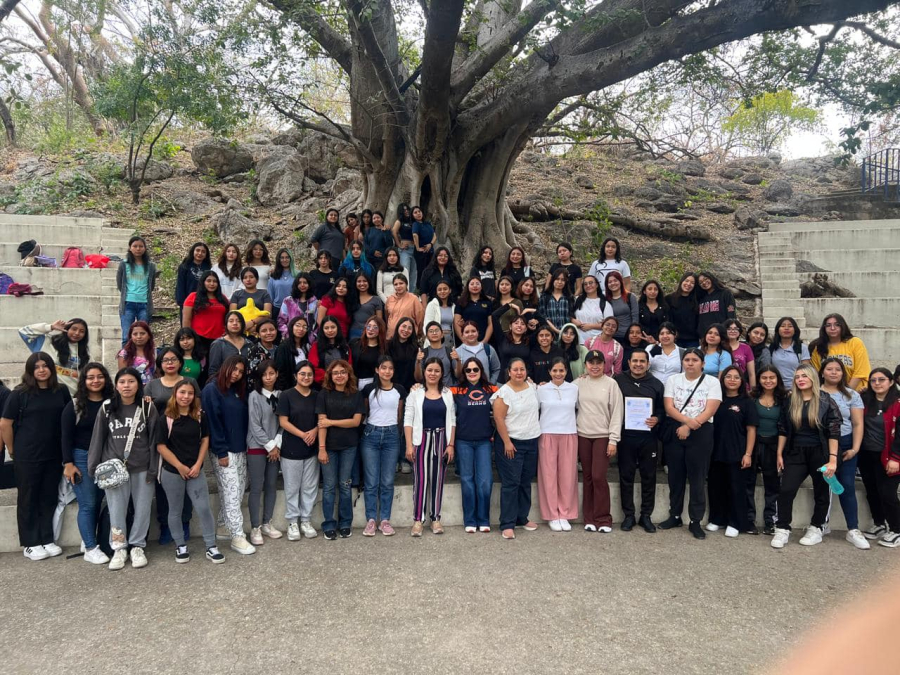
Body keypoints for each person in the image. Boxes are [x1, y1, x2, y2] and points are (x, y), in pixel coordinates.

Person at [0, 352, 72, 561]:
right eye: (37, 366)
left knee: (48, 497)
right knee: (28, 499)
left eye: (45, 366)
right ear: (31, 370)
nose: (41, 370)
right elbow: (5, 423)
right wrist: (13, 450)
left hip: (54, 453)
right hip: (27, 455)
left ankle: (47, 538)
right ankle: (31, 543)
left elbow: (67, 418)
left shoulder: (61, 391)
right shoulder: (19, 394)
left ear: (51, 368)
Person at [88, 367, 158, 570]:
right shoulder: (107, 407)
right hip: (113, 469)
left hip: (142, 466)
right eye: (122, 382)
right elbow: (98, 438)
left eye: (131, 381)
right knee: (116, 510)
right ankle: (119, 547)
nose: (126, 386)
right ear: (116, 385)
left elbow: (153, 441)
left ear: (139, 384)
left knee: (143, 509)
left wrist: (153, 468)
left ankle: (137, 546)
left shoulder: (147, 408)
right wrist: (93, 466)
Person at [771, 364, 841, 549]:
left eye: (804, 376)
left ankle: (817, 527)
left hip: (821, 452)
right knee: (786, 489)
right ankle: (782, 528)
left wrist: (832, 459)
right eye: (797, 377)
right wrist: (779, 453)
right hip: (795, 452)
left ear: (813, 378)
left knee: (822, 491)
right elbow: (783, 429)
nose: (800, 379)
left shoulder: (826, 401)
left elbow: (834, 431)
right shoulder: (790, 400)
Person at [155, 379, 224, 564]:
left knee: (203, 508)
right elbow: (161, 447)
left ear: (195, 396)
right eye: (182, 392)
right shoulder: (166, 418)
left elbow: (205, 440)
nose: (186, 397)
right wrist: (179, 466)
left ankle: (211, 546)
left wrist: (198, 463)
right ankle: (180, 545)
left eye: (190, 393)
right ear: (175, 394)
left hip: (195, 471)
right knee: (175, 510)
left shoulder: (200, 415)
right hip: (172, 471)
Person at [660, 348, 723, 540]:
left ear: (702, 363)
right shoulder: (673, 380)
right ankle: (675, 515)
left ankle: (695, 521)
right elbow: (669, 406)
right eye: (686, 359)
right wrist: (686, 422)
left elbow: (711, 408)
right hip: (676, 429)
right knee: (676, 476)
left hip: (701, 431)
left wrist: (690, 425)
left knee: (697, 478)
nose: (690, 363)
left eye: (695, 360)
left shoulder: (712, 382)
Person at [202, 355, 256, 555]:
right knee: (232, 493)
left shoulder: (237, 391)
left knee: (238, 489)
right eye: (234, 369)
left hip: (240, 448)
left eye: (241, 371)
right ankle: (237, 536)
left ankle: (224, 525)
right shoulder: (212, 389)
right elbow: (213, 423)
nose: (237, 374)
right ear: (226, 367)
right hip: (224, 451)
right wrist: (221, 451)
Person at [61, 363, 113, 564]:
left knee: (98, 501)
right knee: (88, 504)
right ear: (84, 381)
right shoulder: (75, 405)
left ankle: (88, 538)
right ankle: (91, 548)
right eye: (90, 377)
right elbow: (65, 436)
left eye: (99, 377)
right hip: (81, 457)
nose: (95, 381)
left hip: (106, 458)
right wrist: (68, 463)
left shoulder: (112, 403)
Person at [145, 348, 197, 543]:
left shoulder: (189, 383)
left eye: (173, 359)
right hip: (160, 440)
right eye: (165, 360)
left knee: (186, 484)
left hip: (185, 440)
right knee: (163, 485)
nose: (170, 363)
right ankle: (166, 525)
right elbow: (145, 411)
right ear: (160, 363)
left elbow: (196, 408)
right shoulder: (152, 385)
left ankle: (184, 523)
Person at [819, 357, 868, 549]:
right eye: (829, 369)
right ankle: (821, 523)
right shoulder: (815, 392)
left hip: (846, 442)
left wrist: (855, 448)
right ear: (822, 372)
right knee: (824, 485)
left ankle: (853, 529)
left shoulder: (851, 395)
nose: (833, 372)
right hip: (822, 444)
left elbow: (857, 423)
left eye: (837, 369)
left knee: (847, 484)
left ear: (842, 373)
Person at [615, 350, 665, 533]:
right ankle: (628, 515)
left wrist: (657, 419)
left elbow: (662, 409)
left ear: (648, 364)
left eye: (642, 361)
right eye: (634, 360)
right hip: (626, 437)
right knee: (626, 476)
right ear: (628, 362)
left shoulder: (656, 384)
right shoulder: (618, 381)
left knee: (649, 476)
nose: (638, 364)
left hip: (648, 438)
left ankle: (645, 516)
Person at [488, 357, 538, 539]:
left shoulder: (532, 387)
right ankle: (507, 523)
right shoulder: (504, 393)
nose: (519, 372)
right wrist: (507, 442)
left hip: (531, 441)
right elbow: (499, 419)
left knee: (525, 482)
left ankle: (521, 518)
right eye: (515, 369)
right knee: (511, 483)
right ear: (508, 372)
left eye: (522, 369)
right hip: (511, 443)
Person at [575, 350, 624, 533]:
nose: (594, 366)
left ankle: (603, 518)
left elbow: (617, 413)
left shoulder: (611, 384)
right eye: (591, 363)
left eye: (598, 363)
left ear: (605, 365)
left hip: (602, 435)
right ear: (585, 365)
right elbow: (561, 392)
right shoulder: (578, 383)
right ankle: (589, 518)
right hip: (583, 434)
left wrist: (613, 440)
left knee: (598, 476)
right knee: (587, 477)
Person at [707, 366, 757, 538]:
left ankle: (735, 522)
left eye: (737, 377)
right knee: (716, 487)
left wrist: (748, 454)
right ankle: (717, 519)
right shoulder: (715, 400)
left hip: (737, 452)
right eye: (729, 376)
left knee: (736, 488)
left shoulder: (747, 402)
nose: (732, 380)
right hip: (715, 451)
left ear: (742, 381)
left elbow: (751, 430)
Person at [316, 359, 364, 540]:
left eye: (342, 372)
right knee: (329, 486)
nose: (339, 375)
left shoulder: (356, 394)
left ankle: (345, 523)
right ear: (330, 375)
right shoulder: (324, 394)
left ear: (348, 374)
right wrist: (321, 448)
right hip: (328, 447)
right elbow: (322, 423)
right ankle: (329, 524)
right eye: (335, 373)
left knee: (344, 485)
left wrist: (331, 422)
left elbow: (355, 422)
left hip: (349, 446)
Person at [360, 356, 406, 537]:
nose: (387, 371)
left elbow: (400, 416)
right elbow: (365, 413)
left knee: (387, 481)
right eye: (383, 368)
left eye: (390, 368)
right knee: (371, 482)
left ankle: (385, 519)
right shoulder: (369, 389)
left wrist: (397, 433)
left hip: (392, 435)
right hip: (371, 434)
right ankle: (371, 519)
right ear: (377, 370)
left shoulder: (399, 390)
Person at [452, 358, 496, 533]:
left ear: (481, 370)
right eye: (468, 370)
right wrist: (417, 386)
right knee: (467, 481)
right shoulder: (456, 390)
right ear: (463, 372)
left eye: (475, 369)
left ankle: (483, 519)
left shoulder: (492, 389)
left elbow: (511, 393)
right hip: (463, 441)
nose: (471, 373)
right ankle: (470, 520)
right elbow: (435, 390)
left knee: (485, 481)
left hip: (484, 441)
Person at [277, 362, 320, 541]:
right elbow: (283, 422)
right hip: (291, 449)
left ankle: (306, 520)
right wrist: (303, 434)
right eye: (302, 374)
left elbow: (322, 419)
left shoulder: (317, 396)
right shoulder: (286, 395)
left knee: (309, 487)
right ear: (296, 375)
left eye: (309, 374)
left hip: (311, 449)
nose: (306, 377)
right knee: (292, 488)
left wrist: (314, 431)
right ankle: (293, 522)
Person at [537, 358, 579, 532]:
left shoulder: (575, 388)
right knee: (548, 476)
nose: (558, 374)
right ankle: (552, 515)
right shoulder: (541, 390)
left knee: (568, 476)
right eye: (555, 371)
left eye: (561, 370)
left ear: (566, 371)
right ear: (549, 372)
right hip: (547, 434)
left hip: (569, 433)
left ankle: (565, 513)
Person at [858, 367, 900, 542]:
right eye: (873, 380)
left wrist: (897, 458)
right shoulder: (865, 400)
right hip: (867, 455)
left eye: (881, 379)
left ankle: (897, 529)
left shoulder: (898, 404)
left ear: (891, 382)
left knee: (888, 493)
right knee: (872, 491)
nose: (877, 383)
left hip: (890, 456)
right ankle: (879, 524)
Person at [246, 360, 283, 546]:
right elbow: (254, 425)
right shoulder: (254, 396)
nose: (268, 377)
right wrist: (270, 445)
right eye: (264, 374)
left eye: (271, 373)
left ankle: (267, 522)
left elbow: (283, 423)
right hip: (257, 447)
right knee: (257, 486)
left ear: (276, 374)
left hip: (275, 449)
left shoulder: (281, 395)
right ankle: (255, 527)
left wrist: (276, 444)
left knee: (271, 485)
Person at [748, 365, 786, 536]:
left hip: (774, 446)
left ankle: (771, 521)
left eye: (772, 377)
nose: (768, 381)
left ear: (777, 379)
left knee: (772, 485)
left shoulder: (785, 399)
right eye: (764, 378)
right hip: (754, 445)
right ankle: (749, 520)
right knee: (748, 483)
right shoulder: (752, 397)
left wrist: (780, 452)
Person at [18, 317, 90, 395]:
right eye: (74, 329)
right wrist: (50, 327)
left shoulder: (85, 353)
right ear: (67, 328)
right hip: (49, 394)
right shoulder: (47, 342)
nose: (77, 333)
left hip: (74, 397)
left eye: (82, 331)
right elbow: (23, 331)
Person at [809, 313, 872, 391]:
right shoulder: (818, 348)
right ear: (824, 328)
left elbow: (860, 373)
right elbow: (818, 375)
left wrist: (845, 394)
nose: (832, 328)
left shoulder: (855, 343)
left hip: (856, 393)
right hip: (829, 395)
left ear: (842, 326)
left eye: (837, 325)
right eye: (828, 325)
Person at [117, 235, 157, 343]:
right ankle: (125, 359)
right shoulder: (124, 265)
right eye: (135, 246)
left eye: (141, 246)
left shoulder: (151, 266)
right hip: (128, 304)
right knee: (126, 337)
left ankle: (142, 359)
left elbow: (151, 285)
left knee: (143, 337)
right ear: (130, 248)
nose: (138, 249)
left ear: (145, 248)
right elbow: (120, 284)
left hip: (144, 304)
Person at [182, 270, 228, 352]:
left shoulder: (223, 298)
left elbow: (228, 317)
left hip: (219, 339)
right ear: (203, 282)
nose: (212, 284)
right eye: (209, 281)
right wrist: (187, 338)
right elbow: (186, 320)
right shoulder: (193, 297)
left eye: (215, 281)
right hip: (199, 338)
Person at [207, 311, 252, 380]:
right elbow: (213, 370)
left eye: (238, 321)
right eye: (231, 321)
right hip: (223, 385)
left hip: (245, 385)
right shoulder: (218, 344)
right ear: (226, 324)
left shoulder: (250, 344)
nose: (235, 323)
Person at [309, 316, 352, 385]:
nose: (330, 330)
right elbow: (313, 367)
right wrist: (331, 377)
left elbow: (349, 366)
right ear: (322, 330)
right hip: (322, 384)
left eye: (333, 327)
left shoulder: (345, 347)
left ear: (337, 328)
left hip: (342, 384)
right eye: (326, 328)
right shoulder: (316, 346)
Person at [768, 317, 810, 387]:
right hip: (776, 388)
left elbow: (806, 371)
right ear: (778, 329)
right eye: (783, 326)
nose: (786, 328)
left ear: (795, 330)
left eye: (790, 326)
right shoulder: (771, 347)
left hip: (796, 388)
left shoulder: (802, 348)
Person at [229, 267, 274, 333]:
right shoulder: (237, 294)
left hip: (259, 329)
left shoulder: (264, 293)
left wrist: (252, 323)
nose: (248, 280)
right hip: (240, 329)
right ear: (242, 281)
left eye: (251, 277)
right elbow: (232, 314)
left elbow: (268, 314)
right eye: (245, 277)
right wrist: (243, 326)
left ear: (257, 279)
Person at [416, 322, 459, 387]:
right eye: (431, 331)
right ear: (427, 336)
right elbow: (418, 378)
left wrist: (458, 360)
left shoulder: (450, 351)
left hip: (449, 389)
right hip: (429, 390)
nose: (434, 333)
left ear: (442, 334)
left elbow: (458, 375)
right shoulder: (422, 353)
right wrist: (418, 362)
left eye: (437, 330)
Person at [572, 275, 612, 343]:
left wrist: (591, 326)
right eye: (585, 284)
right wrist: (573, 320)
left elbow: (610, 324)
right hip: (578, 341)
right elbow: (567, 314)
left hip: (597, 342)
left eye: (591, 283)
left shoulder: (605, 304)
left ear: (596, 285)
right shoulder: (577, 300)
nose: (588, 285)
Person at [278, 272, 318, 342]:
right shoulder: (288, 301)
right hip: (290, 339)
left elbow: (317, 323)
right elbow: (281, 321)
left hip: (309, 340)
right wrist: (287, 333)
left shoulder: (315, 302)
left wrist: (313, 336)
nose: (302, 285)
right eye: (299, 283)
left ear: (309, 284)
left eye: (305, 282)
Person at [350, 316, 387, 389]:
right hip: (354, 382)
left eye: (375, 327)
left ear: (380, 330)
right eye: (368, 326)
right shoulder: (355, 343)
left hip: (374, 384)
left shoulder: (384, 349)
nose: (370, 329)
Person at [454, 277, 494, 344]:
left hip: (483, 340)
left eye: (477, 284)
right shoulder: (461, 302)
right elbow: (456, 323)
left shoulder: (487, 302)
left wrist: (485, 340)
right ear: (468, 287)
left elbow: (491, 323)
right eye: (472, 284)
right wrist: (463, 340)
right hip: (466, 341)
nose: (475, 286)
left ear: (481, 287)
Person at [274, 316, 310, 390]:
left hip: (306, 386)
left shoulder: (306, 347)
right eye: (298, 325)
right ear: (291, 327)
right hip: (289, 388)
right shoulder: (283, 347)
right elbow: (280, 372)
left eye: (304, 327)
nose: (301, 329)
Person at [175, 242, 212, 312]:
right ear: (193, 251)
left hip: (203, 302)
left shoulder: (208, 268)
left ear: (206, 255)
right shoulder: (185, 266)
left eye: (203, 252)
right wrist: (182, 303)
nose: (200, 253)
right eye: (197, 250)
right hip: (187, 301)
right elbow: (180, 285)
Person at [666, 272, 699, 348]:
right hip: (675, 339)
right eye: (686, 281)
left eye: (692, 283)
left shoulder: (697, 300)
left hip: (693, 340)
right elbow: (667, 318)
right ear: (682, 281)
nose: (688, 284)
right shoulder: (669, 299)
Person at [347, 274, 384, 341]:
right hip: (354, 333)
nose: (362, 283)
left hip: (370, 332)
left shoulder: (376, 299)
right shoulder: (351, 299)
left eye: (364, 281)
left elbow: (379, 320)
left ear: (369, 282)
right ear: (355, 283)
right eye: (359, 281)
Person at [389, 317, 419, 396]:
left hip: (410, 387)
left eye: (409, 328)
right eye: (404, 326)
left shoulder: (415, 348)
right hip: (391, 386)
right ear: (398, 326)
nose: (406, 330)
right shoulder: (389, 345)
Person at [605, 272, 638, 343]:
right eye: (610, 282)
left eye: (615, 280)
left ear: (620, 281)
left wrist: (632, 334)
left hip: (628, 337)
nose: (613, 283)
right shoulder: (606, 300)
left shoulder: (630, 297)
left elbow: (635, 318)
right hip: (612, 337)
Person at [496, 316, 531, 384]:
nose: (519, 325)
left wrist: (531, 311)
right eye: (516, 323)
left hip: (522, 381)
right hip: (503, 381)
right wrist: (510, 305)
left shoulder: (529, 341)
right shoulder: (502, 338)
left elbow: (543, 326)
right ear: (510, 326)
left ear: (526, 328)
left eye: (522, 324)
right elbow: (494, 316)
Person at [539, 269, 575, 336]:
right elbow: (543, 316)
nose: (559, 282)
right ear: (553, 280)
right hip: (549, 334)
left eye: (563, 280)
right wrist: (556, 330)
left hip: (566, 334)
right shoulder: (545, 296)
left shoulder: (569, 297)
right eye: (557, 279)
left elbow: (571, 316)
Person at [723, 319, 756, 389]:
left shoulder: (746, 348)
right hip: (723, 386)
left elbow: (751, 374)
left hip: (742, 386)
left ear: (739, 332)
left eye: (736, 329)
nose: (732, 331)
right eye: (729, 329)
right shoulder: (720, 347)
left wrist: (753, 391)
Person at [391, 203, 417, 292]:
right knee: (405, 271)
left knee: (414, 273)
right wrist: (399, 244)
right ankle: (403, 292)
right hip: (405, 250)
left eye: (407, 209)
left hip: (415, 249)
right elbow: (394, 231)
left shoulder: (413, 221)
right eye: (404, 210)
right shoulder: (399, 221)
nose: (406, 211)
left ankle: (412, 294)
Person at [268, 248, 296, 323]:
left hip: (294, 309)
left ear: (291, 259)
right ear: (278, 259)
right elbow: (270, 296)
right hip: (277, 309)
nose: (285, 260)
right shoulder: (273, 275)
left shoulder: (297, 274)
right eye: (282, 257)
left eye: (287, 257)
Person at [411, 205, 435, 288]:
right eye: (415, 212)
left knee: (431, 270)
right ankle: (420, 290)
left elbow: (434, 235)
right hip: (421, 252)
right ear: (412, 215)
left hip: (430, 251)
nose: (418, 214)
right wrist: (417, 248)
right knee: (421, 271)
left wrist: (430, 244)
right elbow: (415, 235)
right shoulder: (415, 224)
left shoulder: (427, 223)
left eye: (419, 211)